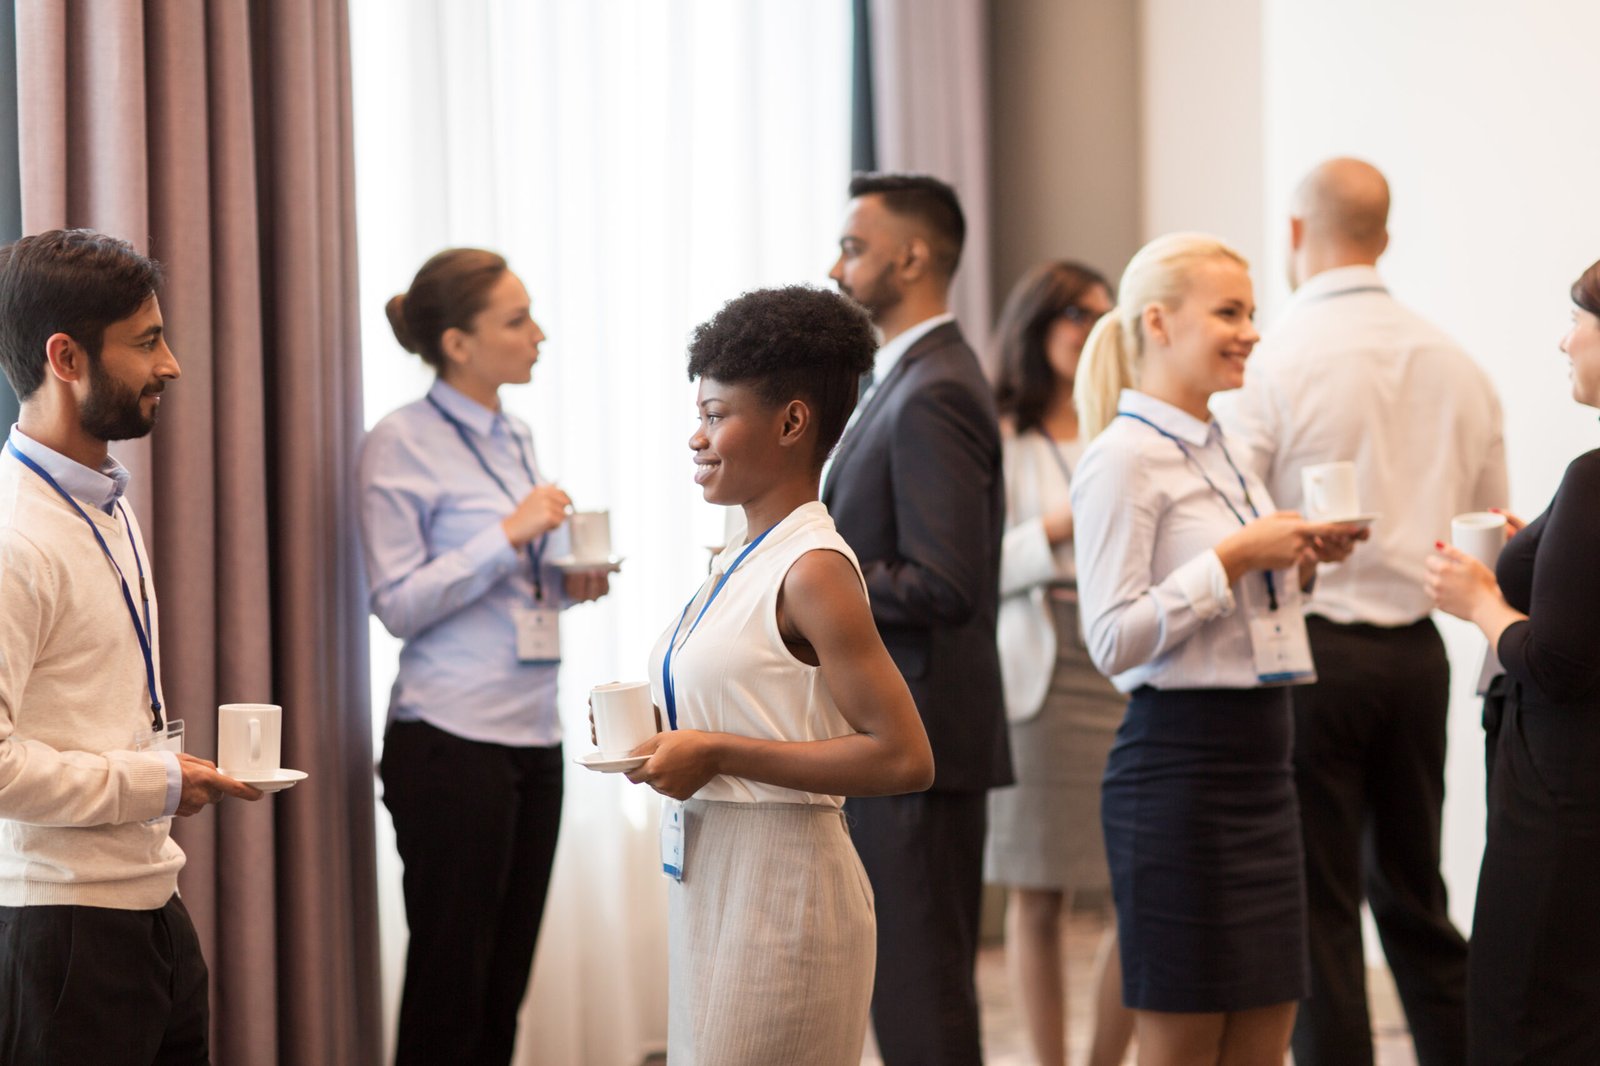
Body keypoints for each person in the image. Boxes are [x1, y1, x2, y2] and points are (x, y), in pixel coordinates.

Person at [1225, 158, 1502, 1066]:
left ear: (1296, 236)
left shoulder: (1274, 364)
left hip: (1312, 657)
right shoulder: (1459, 364)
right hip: (1421, 658)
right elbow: (1491, 529)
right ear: (1383, 238)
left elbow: (1237, 519)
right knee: (1416, 894)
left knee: (1319, 906)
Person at [1071, 232, 1364, 1065]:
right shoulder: (1121, 459)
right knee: (1184, 1045)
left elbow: (1237, 610)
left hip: (1265, 764)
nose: (1251, 331)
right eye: (1229, 313)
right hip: (1178, 773)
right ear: (1158, 323)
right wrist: (1235, 558)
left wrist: (1297, 567)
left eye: (1252, 312)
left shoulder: (1228, 445)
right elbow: (1113, 639)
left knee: (1266, 1039)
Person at [624, 285, 933, 1063]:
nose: (696, 437)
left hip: (784, 891)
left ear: (792, 422)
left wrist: (720, 753)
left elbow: (904, 756)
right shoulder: (740, 559)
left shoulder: (813, 568)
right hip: (713, 876)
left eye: (716, 414)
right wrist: (662, 742)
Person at [0, 228, 262, 1065]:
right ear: (66, 358)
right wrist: (152, 779)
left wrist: (158, 784)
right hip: (61, 932)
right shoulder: (13, 537)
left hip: (150, 904)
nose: (171, 365)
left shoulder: (106, 502)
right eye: (147, 342)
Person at [357, 248, 609, 1066]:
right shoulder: (399, 443)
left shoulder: (515, 435)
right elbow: (397, 604)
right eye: (516, 319)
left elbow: (509, 580)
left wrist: (565, 578)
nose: (539, 334)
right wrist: (508, 536)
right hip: (450, 739)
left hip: (535, 735)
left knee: (505, 987)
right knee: (449, 985)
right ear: (458, 343)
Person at [823, 171, 1011, 1065]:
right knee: (902, 983)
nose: (837, 266)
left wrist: (813, 584)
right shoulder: (905, 376)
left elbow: (946, 581)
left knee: (921, 992)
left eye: (854, 247)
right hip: (904, 726)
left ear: (913, 255)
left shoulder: (934, 387)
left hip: (921, 735)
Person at [1425, 258, 1600, 1065]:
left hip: (1564, 802)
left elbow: (1560, 661)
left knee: (1527, 1017)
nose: (1566, 342)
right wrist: (1545, 548)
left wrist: (1480, 601)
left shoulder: (1594, 478)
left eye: (1580, 323)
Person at [986, 260, 1134, 1066]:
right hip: (1042, 666)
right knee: (1037, 890)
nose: (1089, 329)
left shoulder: (1126, 427)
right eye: (1074, 314)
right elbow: (975, 570)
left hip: (1127, 664)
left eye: (1104, 315)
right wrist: (1051, 529)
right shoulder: (1000, 437)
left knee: (1134, 890)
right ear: (1036, 325)